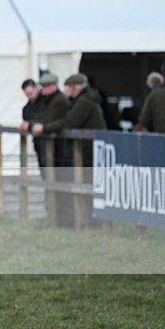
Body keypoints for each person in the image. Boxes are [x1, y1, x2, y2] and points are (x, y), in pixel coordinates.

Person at [32, 73, 104, 227]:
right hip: (87, 151)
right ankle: (88, 220)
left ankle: (91, 222)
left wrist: (45, 128)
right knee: (85, 184)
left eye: (68, 87)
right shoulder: (83, 100)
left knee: (86, 185)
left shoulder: (84, 102)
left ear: (74, 87)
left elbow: (70, 121)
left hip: (88, 152)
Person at [20, 73, 68, 172]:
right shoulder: (27, 108)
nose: (30, 96)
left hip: (56, 145)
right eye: (27, 94)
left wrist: (30, 125)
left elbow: (47, 119)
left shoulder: (53, 100)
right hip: (42, 144)